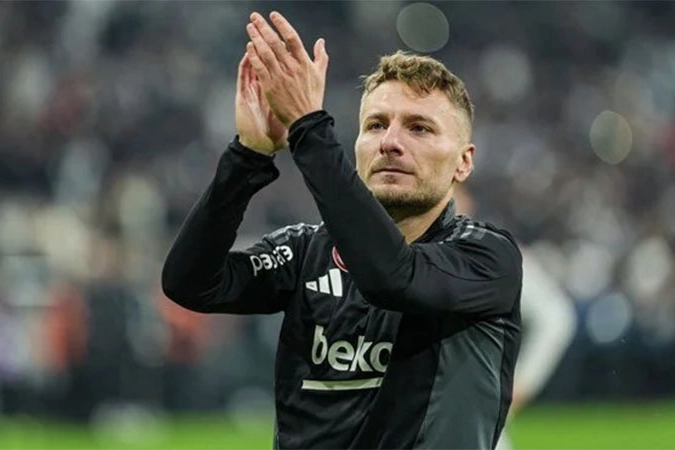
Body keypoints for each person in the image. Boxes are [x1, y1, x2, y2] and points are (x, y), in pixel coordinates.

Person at [162, 11, 522, 449]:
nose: (390, 142)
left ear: (463, 162)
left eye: (419, 128)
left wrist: (308, 128)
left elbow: (392, 277)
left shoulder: (487, 256)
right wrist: (248, 156)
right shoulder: (306, 252)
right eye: (375, 125)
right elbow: (190, 283)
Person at [454, 187, 577, 450]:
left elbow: (555, 317)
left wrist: (519, 386)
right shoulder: (396, 253)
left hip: (471, 420)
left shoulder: (490, 252)